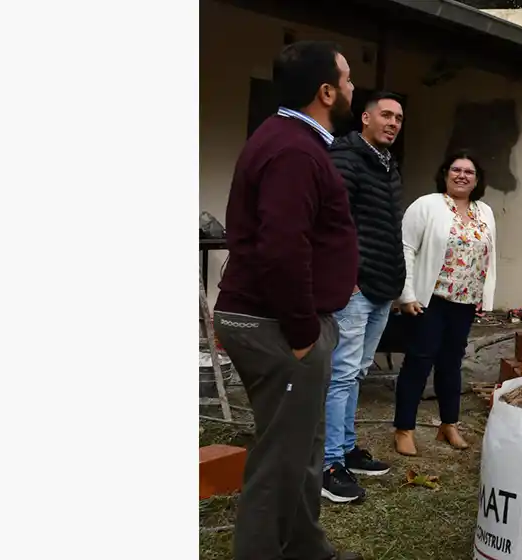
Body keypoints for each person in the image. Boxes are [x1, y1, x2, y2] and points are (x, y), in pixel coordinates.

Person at [211, 41, 363, 560]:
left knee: (303, 448)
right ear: (325, 92)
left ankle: (304, 547)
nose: (351, 89)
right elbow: (281, 247)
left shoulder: (291, 141)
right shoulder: (295, 150)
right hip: (279, 326)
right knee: (281, 458)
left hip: (280, 321)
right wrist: (302, 333)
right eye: (345, 81)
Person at [318, 92, 405, 503]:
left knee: (356, 373)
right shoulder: (345, 156)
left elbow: (386, 228)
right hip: (355, 288)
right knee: (340, 375)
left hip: (383, 287)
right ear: (366, 118)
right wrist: (346, 277)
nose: (393, 123)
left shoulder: (388, 165)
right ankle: (328, 464)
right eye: (385, 115)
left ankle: (347, 449)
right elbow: (332, 222)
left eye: (399, 118)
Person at [391, 151, 497, 457]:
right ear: (445, 173)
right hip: (429, 301)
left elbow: (490, 256)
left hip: (464, 302)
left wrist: (485, 297)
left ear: (477, 180)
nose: (462, 175)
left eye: (469, 172)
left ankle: (448, 424)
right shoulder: (427, 205)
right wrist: (406, 294)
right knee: (419, 362)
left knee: (452, 364)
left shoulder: (484, 212)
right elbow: (406, 249)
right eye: (456, 169)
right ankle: (404, 429)